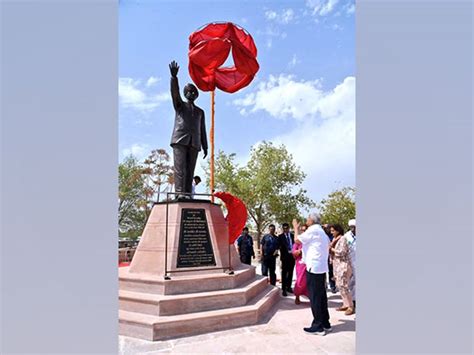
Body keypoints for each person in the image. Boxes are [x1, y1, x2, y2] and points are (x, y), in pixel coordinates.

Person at [168, 60, 208, 199]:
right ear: (185, 94)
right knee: (180, 169)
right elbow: (174, 93)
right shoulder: (180, 106)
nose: (191, 93)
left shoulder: (200, 112)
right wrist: (174, 78)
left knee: (190, 170)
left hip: (194, 142)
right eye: (188, 91)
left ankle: (188, 194)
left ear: (196, 95)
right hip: (180, 139)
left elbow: (202, 129)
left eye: (193, 92)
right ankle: (180, 194)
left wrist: (205, 146)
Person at [293, 213, 331, 336]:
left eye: (308, 218)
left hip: (314, 268)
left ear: (312, 220)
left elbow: (297, 240)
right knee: (321, 296)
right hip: (320, 267)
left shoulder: (313, 230)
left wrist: (295, 228)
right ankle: (325, 323)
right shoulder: (322, 232)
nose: (306, 220)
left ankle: (318, 326)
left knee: (314, 297)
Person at [329, 224, 354, 315]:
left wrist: (331, 249)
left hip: (343, 265)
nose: (331, 233)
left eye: (333, 231)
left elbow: (342, 252)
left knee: (344, 286)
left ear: (338, 230)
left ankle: (351, 306)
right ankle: (345, 304)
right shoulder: (334, 239)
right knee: (340, 285)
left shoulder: (342, 239)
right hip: (337, 266)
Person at [292, 224, 308, 305]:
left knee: (309, 281)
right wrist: (298, 252)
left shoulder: (309, 240)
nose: (304, 231)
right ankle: (297, 296)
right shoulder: (299, 240)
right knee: (300, 280)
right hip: (300, 263)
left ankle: (310, 296)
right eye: (302, 230)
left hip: (309, 263)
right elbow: (294, 250)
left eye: (305, 230)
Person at [278, 222, 295, 296]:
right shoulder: (280, 237)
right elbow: (279, 246)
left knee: (290, 272)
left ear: (289, 228)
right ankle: (284, 289)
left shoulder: (292, 236)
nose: (285, 230)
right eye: (284, 228)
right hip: (284, 257)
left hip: (292, 256)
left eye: (287, 228)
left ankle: (289, 287)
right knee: (284, 273)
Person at [345, 219, 356, 309]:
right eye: (351, 227)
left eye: (354, 227)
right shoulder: (347, 236)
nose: (352, 229)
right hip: (350, 261)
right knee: (350, 282)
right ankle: (351, 302)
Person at [323, 224, 337, 293]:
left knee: (331, 271)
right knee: (323, 272)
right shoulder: (322, 235)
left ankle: (332, 286)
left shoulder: (332, 236)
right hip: (323, 255)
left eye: (327, 228)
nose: (326, 229)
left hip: (330, 255)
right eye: (325, 228)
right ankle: (324, 285)